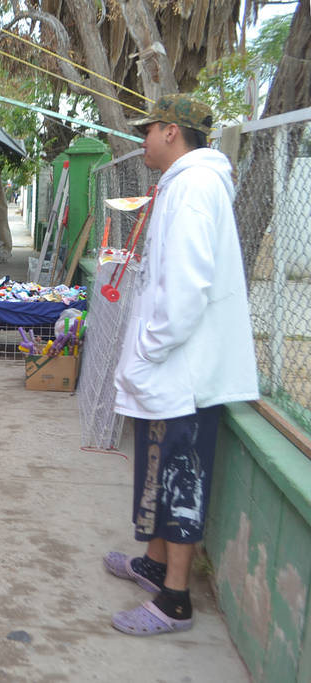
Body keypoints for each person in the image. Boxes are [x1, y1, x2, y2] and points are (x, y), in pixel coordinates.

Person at [105, 94, 259, 636]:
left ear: (172, 132)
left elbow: (188, 289)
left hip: (184, 372)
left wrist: (149, 345)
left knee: (179, 478)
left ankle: (175, 599)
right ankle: (152, 563)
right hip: (167, 368)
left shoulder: (195, 188)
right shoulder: (181, 183)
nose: (142, 139)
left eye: (148, 130)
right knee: (155, 465)